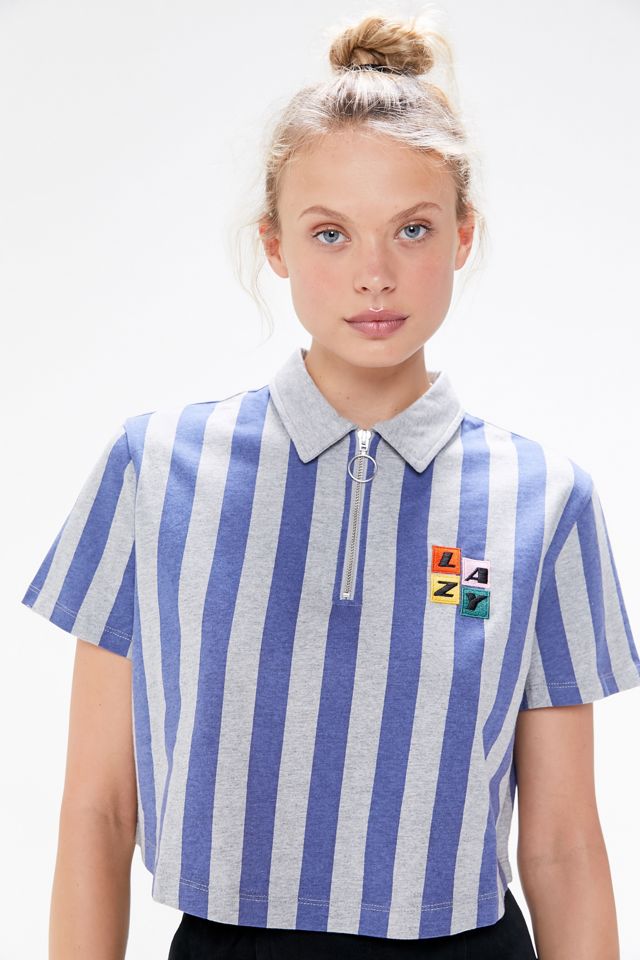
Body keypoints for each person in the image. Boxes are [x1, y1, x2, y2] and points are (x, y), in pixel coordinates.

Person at [20, 10, 640, 960]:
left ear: (463, 236)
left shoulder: (544, 499)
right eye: (331, 234)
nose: (374, 275)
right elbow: (99, 812)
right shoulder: (155, 468)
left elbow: (562, 847)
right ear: (275, 245)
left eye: (413, 229)